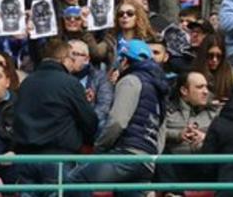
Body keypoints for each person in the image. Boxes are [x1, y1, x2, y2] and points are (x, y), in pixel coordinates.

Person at [65, 39, 170, 195]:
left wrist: (100, 148)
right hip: (146, 162)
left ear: (125, 60)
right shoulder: (159, 88)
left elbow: (117, 122)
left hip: (126, 154)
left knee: (76, 181)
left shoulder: (131, 80)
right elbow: (162, 130)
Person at [13, 39, 98, 188]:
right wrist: (86, 142)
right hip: (58, 157)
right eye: (71, 59)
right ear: (64, 59)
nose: (73, 63)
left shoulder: (26, 83)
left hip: (25, 158)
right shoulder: (70, 83)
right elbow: (89, 120)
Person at [157, 70, 220, 184]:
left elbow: (228, 136)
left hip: (205, 166)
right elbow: (155, 133)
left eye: (206, 87)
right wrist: (178, 135)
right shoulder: (167, 111)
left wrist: (206, 137)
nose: (206, 91)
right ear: (184, 90)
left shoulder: (215, 112)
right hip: (176, 166)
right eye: (200, 87)